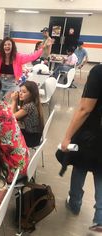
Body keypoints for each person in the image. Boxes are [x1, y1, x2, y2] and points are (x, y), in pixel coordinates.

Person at [61, 64, 102, 232]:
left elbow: (85, 108)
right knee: (100, 172)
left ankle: (75, 203)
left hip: (91, 133)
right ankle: (100, 218)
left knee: (80, 166)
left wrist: (67, 136)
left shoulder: (98, 71)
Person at [0, 33, 45, 99]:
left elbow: (31, 56)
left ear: (12, 46)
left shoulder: (18, 57)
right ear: (2, 47)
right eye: (5, 45)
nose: (7, 46)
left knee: (10, 104)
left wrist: (42, 49)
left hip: (12, 84)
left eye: (9, 44)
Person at [11, 81, 44, 147]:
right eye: (20, 91)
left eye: (24, 92)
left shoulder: (29, 106)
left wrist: (14, 101)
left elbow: (12, 117)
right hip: (34, 135)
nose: (20, 93)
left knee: (7, 135)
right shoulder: (32, 103)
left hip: (32, 139)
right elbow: (15, 116)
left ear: (31, 94)